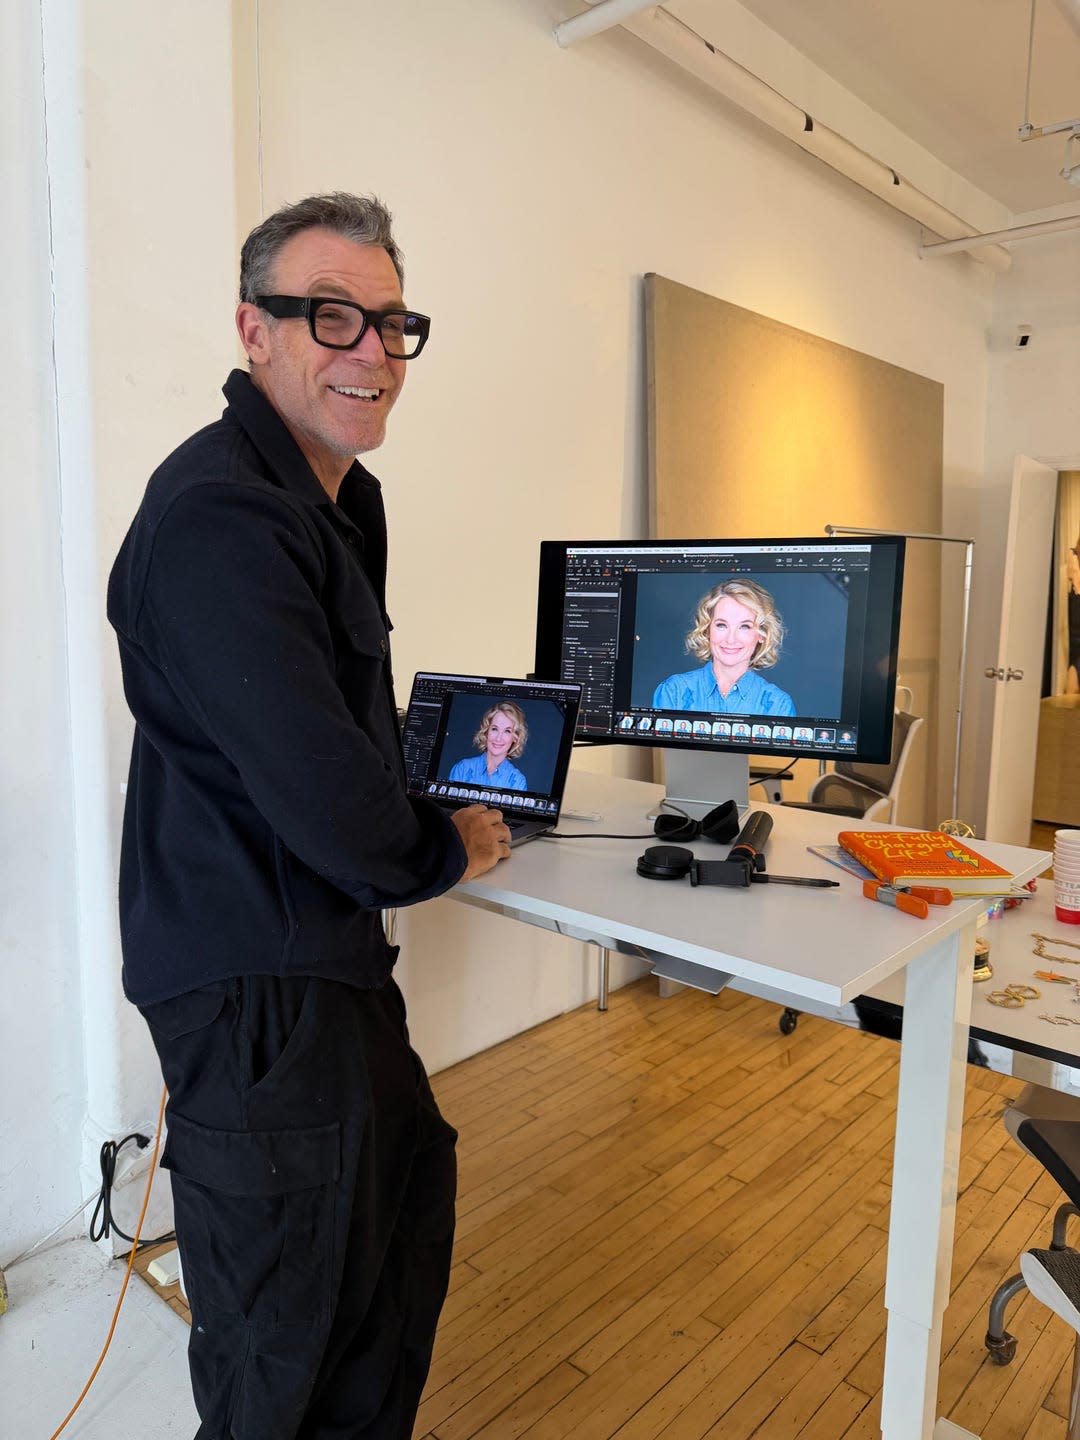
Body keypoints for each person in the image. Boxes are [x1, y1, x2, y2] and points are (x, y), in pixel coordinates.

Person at [106, 193, 512, 1440]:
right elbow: (334, 803)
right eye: (331, 316)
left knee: (385, 1248)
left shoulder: (336, 497)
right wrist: (444, 840)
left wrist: (410, 788)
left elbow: (325, 727)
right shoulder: (227, 515)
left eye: (394, 325)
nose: (371, 352)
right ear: (254, 330)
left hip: (316, 953)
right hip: (257, 981)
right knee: (285, 1337)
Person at [651, 578, 796, 715]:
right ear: (707, 630)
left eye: (744, 626)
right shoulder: (673, 691)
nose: (731, 639)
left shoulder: (778, 704)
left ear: (761, 635)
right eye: (722, 625)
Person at [448, 701, 529, 790]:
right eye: (494, 729)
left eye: (507, 731)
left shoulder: (518, 781)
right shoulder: (462, 768)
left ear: (515, 738)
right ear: (486, 731)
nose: (498, 738)